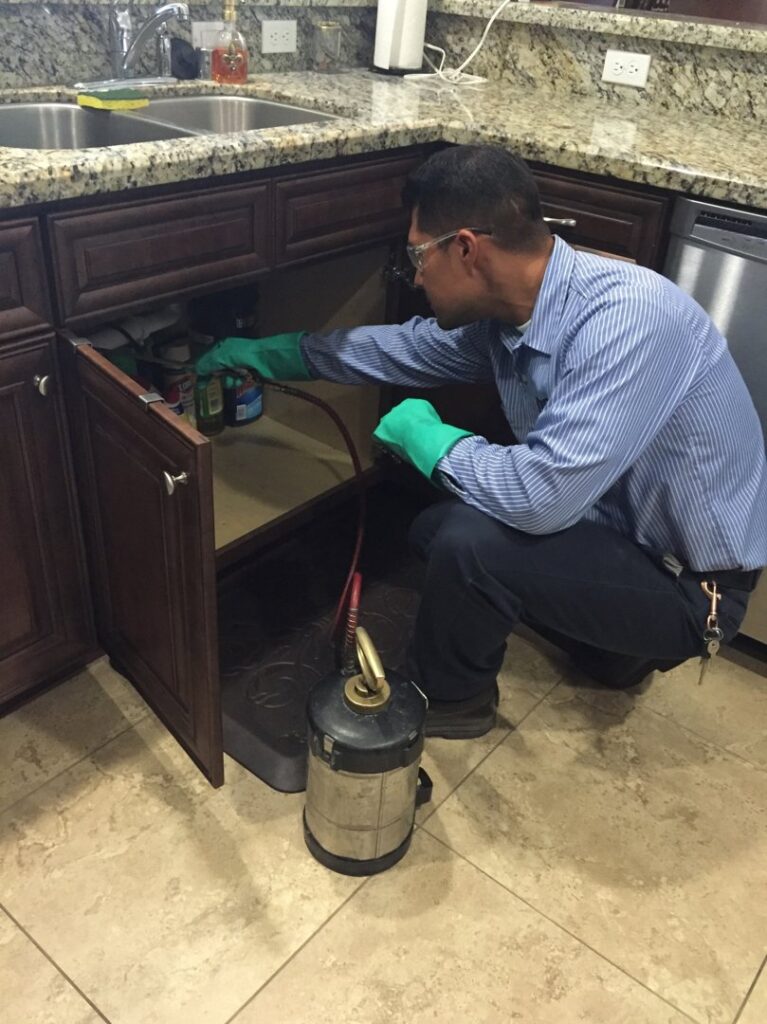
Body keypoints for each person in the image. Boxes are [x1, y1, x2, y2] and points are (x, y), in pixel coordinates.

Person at [196, 145, 767, 739]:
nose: (414, 276)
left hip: (692, 587)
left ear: (466, 248)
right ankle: (614, 652)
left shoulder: (627, 321)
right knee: (434, 532)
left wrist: (431, 439)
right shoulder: (515, 314)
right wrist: (273, 355)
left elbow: (540, 498)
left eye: (418, 255)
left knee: (471, 543)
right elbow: (403, 350)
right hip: (617, 533)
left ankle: (450, 701)